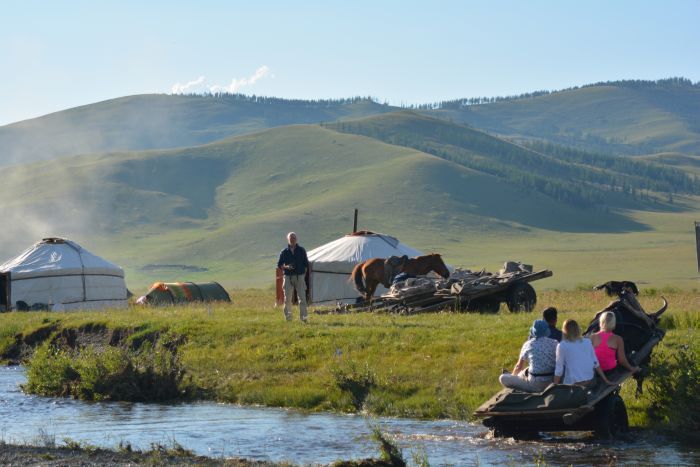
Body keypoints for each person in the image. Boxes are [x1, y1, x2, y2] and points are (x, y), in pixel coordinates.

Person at [500, 319, 558, 392]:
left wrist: (512, 376)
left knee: (502, 378)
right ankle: (514, 375)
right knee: (527, 369)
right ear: (547, 331)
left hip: (534, 385)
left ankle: (510, 375)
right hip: (552, 383)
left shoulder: (528, 344)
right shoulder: (555, 343)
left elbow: (519, 367)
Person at [554, 319, 614, 386]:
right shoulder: (587, 341)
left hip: (574, 385)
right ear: (577, 329)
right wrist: (606, 380)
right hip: (591, 381)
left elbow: (559, 370)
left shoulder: (562, 345)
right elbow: (595, 362)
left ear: (564, 331)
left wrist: (554, 387)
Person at [277, 232, 309, 322]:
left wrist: (303, 275)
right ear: (288, 239)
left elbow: (306, 264)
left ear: (296, 239)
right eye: (291, 238)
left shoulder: (301, 250)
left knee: (302, 298)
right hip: (288, 277)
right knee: (287, 299)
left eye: (294, 238)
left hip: (300, 276)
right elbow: (279, 265)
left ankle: (304, 319)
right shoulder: (284, 252)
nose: (292, 239)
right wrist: (286, 267)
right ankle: (288, 318)